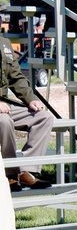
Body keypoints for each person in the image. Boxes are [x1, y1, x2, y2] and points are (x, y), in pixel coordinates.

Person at [1, 36, 54, 190]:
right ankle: (9, 174)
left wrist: (31, 99)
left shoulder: (4, 42)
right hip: (1, 108)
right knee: (4, 121)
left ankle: (26, 172)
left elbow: (16, 77)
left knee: (43, 117)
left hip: (4, 104)